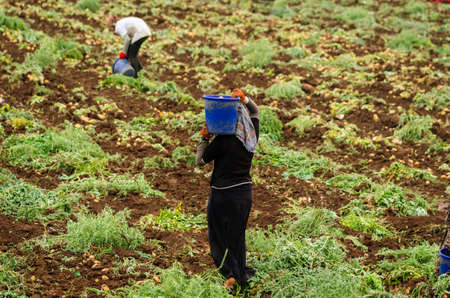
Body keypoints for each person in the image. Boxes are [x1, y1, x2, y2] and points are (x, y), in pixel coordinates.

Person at [195, 89, 259, 288]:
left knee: (219, 237)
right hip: (244, 194)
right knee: (237, 236)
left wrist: (205, 138)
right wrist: (245, 99)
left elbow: (200, 161)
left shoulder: (223, 141)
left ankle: (229, 275)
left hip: (222, 194)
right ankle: (240, 275)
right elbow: (255, 112)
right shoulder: (251, 135)